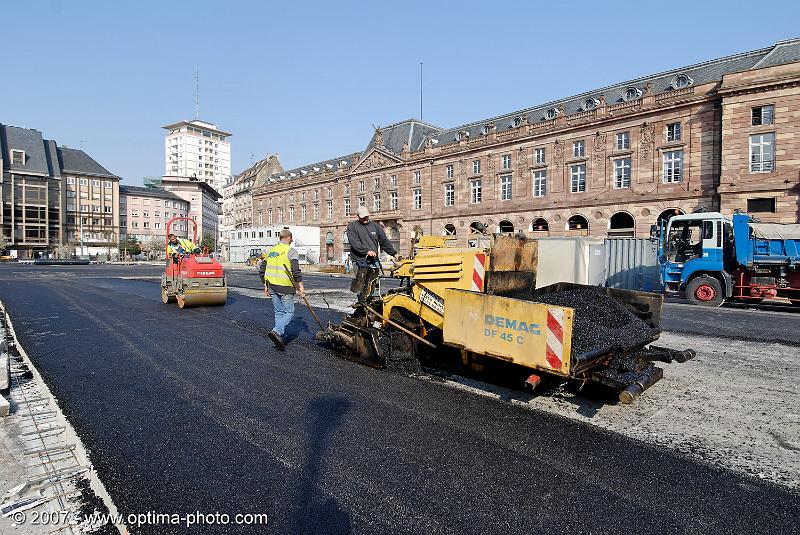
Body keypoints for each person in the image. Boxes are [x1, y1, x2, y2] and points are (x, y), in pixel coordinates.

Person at [346, 206, 400, 302]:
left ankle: (373, 304)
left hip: (373, 260)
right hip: (359, 260)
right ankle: (363, 304)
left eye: (366, 216)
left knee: (374, 283)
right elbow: (354, 242)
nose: (365, 218)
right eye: (363, 217)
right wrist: (366, 251)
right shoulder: (352, 226)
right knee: (362, 284)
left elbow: (384, 242)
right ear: (358, 216)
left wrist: (395, 254)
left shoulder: (376, 227)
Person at [264, 230, 305, 350]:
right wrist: (301, 286)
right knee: (289, 312)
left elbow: (263, 269)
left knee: (278, 312)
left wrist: (265, 285)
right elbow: (296, 271)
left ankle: (279, 335)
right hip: (285, 287)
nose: (291, 241)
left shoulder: (271, 250)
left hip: (272, 286)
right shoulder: (291, 251)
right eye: (291, 239)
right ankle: (276, 330)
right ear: (289, 238)